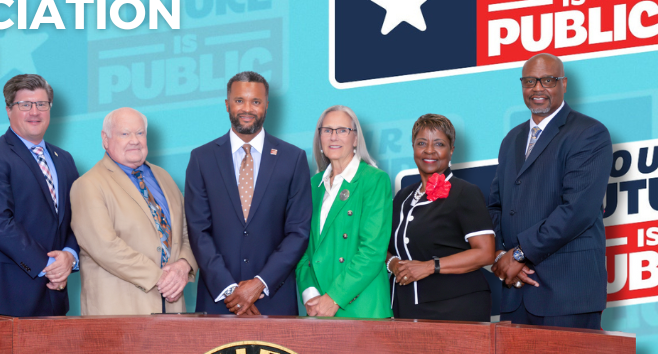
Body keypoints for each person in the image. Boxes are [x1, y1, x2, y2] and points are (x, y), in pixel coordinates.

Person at [488, 53, 612, 329]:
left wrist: (519, 254)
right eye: (530, 81)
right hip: (516, 292)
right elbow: (495, 207)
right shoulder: (512, 140)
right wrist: (500, 257)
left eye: (548, 80)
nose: (538, 88)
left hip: (567, 294)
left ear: (564, 84)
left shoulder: (589, 133)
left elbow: (577, 210)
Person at [184, 71, 312, 316]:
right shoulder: (202, 159)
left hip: (274, 298)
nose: (247, 109)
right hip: (218, 299)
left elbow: (298, 231)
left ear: (266, 105)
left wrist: (260, 283)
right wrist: (230, 289)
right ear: (227, 104)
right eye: (239, 100)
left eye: (256, 101)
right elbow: (198, 230)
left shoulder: (293, 158)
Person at [0, 74, 80, 317]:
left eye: (41, 104)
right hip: (8, 296)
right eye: (25, 105)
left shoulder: (65, 160)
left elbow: (77, 218)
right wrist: (49, 266)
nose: (34, 111)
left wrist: (69, 257)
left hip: (54, 296)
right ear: (8, 110)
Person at [70, 107, 198, 315]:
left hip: (172, 308)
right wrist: (161, 278)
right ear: (105, 139)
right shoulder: (88, 185)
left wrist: (184, 265)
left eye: (140, 133)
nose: (134, 140)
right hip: (118, 312)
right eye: (124, 134)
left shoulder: (163, 177)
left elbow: (188, 230)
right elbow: (104, 246)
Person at [387, 114, 496, 322]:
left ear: (451, 150)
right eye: (421, 143)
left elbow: (485, 253)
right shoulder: (402, 197)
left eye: (439, 144)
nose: (429, 150)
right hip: (406, 308)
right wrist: (392, 263)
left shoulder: (465, 192)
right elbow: (380, 244)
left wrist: (429, 266)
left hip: (456, 307)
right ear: (413, 148)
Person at [296, 105, 392, 318]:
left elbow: (372, 252)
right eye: (327, 130)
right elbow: (300, 246)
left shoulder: (374, 180)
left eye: (342, 130)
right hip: (318, 308)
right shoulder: (311, 186)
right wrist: (310, 294)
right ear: (319, 138)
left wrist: (334, 298)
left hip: (362, 309)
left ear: (355, 139)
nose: (333, 137)